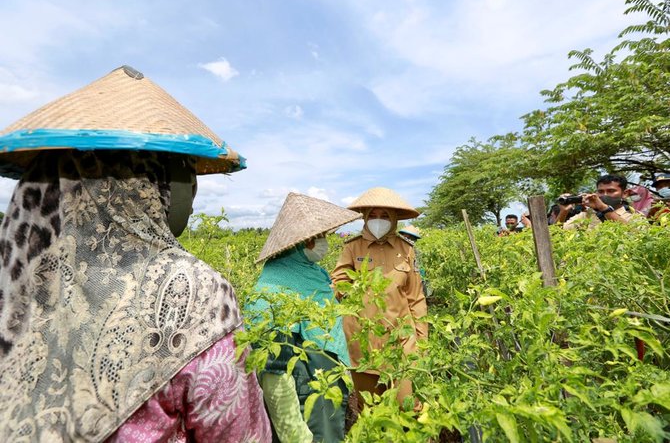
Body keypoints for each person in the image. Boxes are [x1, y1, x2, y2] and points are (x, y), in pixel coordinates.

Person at [0, 66, 270, 442]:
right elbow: (240, 434)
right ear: (150, 182)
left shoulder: (18, 281)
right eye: (185, 172)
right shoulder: (193, 292)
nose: (192, 192)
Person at [246, 192, 361, 443]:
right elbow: (274, 375)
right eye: (318, 238)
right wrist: (295, 434)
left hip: (326, 389)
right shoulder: (271, 292)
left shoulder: (313, 275)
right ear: (301, 243)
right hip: (307, 396)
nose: (323, 243)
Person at [331, 187, 427, 411]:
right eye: (373, 215)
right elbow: (338, 285)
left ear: (394, 219)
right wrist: (349, 285)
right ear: (365, 217)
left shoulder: (406, 249)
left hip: (401, 341)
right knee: (371, 410)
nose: (378, 220)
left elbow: (416, 298)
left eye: (384, 216)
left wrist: (422, 342)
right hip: (363, 342)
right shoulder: (352, 247)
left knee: (407, 406)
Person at [560, 175, 639, 230]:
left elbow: (636, 237)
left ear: (624, 194)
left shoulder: (634, 216)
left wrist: (604, 208)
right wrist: (564, 211)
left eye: (611, 191)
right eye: (601, 191)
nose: (605, 195)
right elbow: (555, 235)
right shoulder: (587, 215)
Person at [398, 225, 430, 297]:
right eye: (407, 237)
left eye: (412, 238)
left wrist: (420, 276)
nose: (409, 239)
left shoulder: (415, 250)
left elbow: (419, 267)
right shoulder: (397, 248)